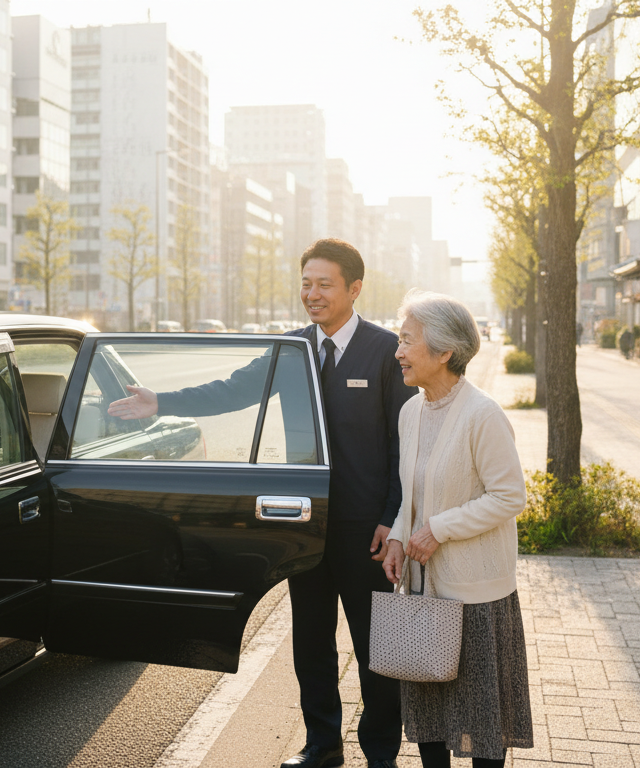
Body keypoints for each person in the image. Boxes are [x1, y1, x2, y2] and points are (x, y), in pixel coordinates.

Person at [108, 239, 416, 768]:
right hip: (306, 522)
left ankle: (381, 751)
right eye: (306, 283)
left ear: (354, 289)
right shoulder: (290, 349)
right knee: (310, 642)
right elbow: (232, 389)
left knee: (375, 648)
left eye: (324, 284)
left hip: (367, 529)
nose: (311, 294)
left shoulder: (386, 350)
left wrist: (393, 518)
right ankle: (322, 745)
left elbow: (404, 444)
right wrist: (161, 403)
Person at [383, 291, 533, 768]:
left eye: (407, 341)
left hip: (476, 596)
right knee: (430, 722)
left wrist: (439, 529)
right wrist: (398, 538)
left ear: (445, 351)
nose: (398, 352)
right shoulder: (411, 412)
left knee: (481, 727)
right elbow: (413, 492)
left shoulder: (482, 414)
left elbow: (509, 496)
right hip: (425, 589)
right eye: (399, 340)